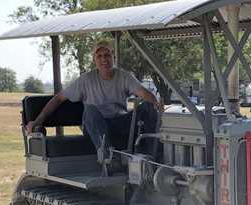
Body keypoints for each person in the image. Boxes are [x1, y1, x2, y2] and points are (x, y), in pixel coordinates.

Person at [25, 39, 162, 164]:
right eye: (99, 56)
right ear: (94, 59)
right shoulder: (86, 80)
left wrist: (156, 104)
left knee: (148, 107)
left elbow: (144, 93)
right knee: (90, 109)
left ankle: (153, 156)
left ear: (113, 56)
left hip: (118, 122)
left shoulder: (124, 76)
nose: (104, 60)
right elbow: (59, 98)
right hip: (95, 125)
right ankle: (107, 156)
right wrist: (38, 120)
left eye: (107, 55)